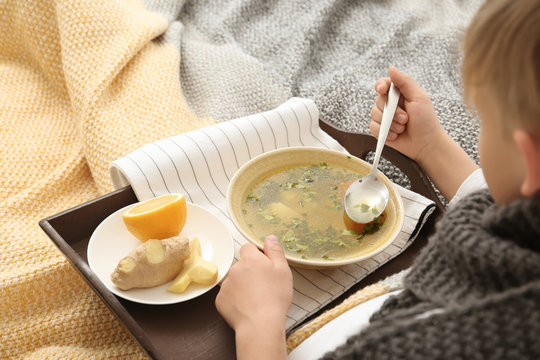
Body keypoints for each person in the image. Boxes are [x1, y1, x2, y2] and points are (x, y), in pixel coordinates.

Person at [215, 0, 540, 358]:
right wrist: (432, 148)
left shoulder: (461, 341)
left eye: (486, 120)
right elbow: (500, 197)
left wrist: (258, 325)